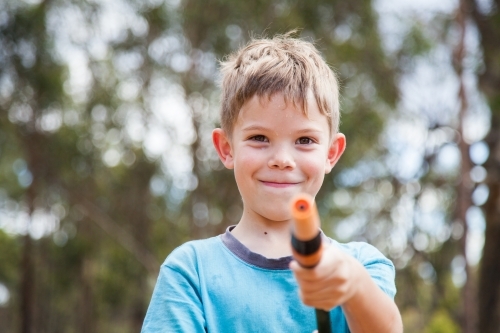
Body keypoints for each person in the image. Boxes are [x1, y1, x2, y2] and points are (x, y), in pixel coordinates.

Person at [141, 33, 403, 333]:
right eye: (259, 138)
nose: (282, 159)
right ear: (226, 148)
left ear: (331, 153)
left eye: (304, 140)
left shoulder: (363, 266)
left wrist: (354, 285)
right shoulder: (190, 271)